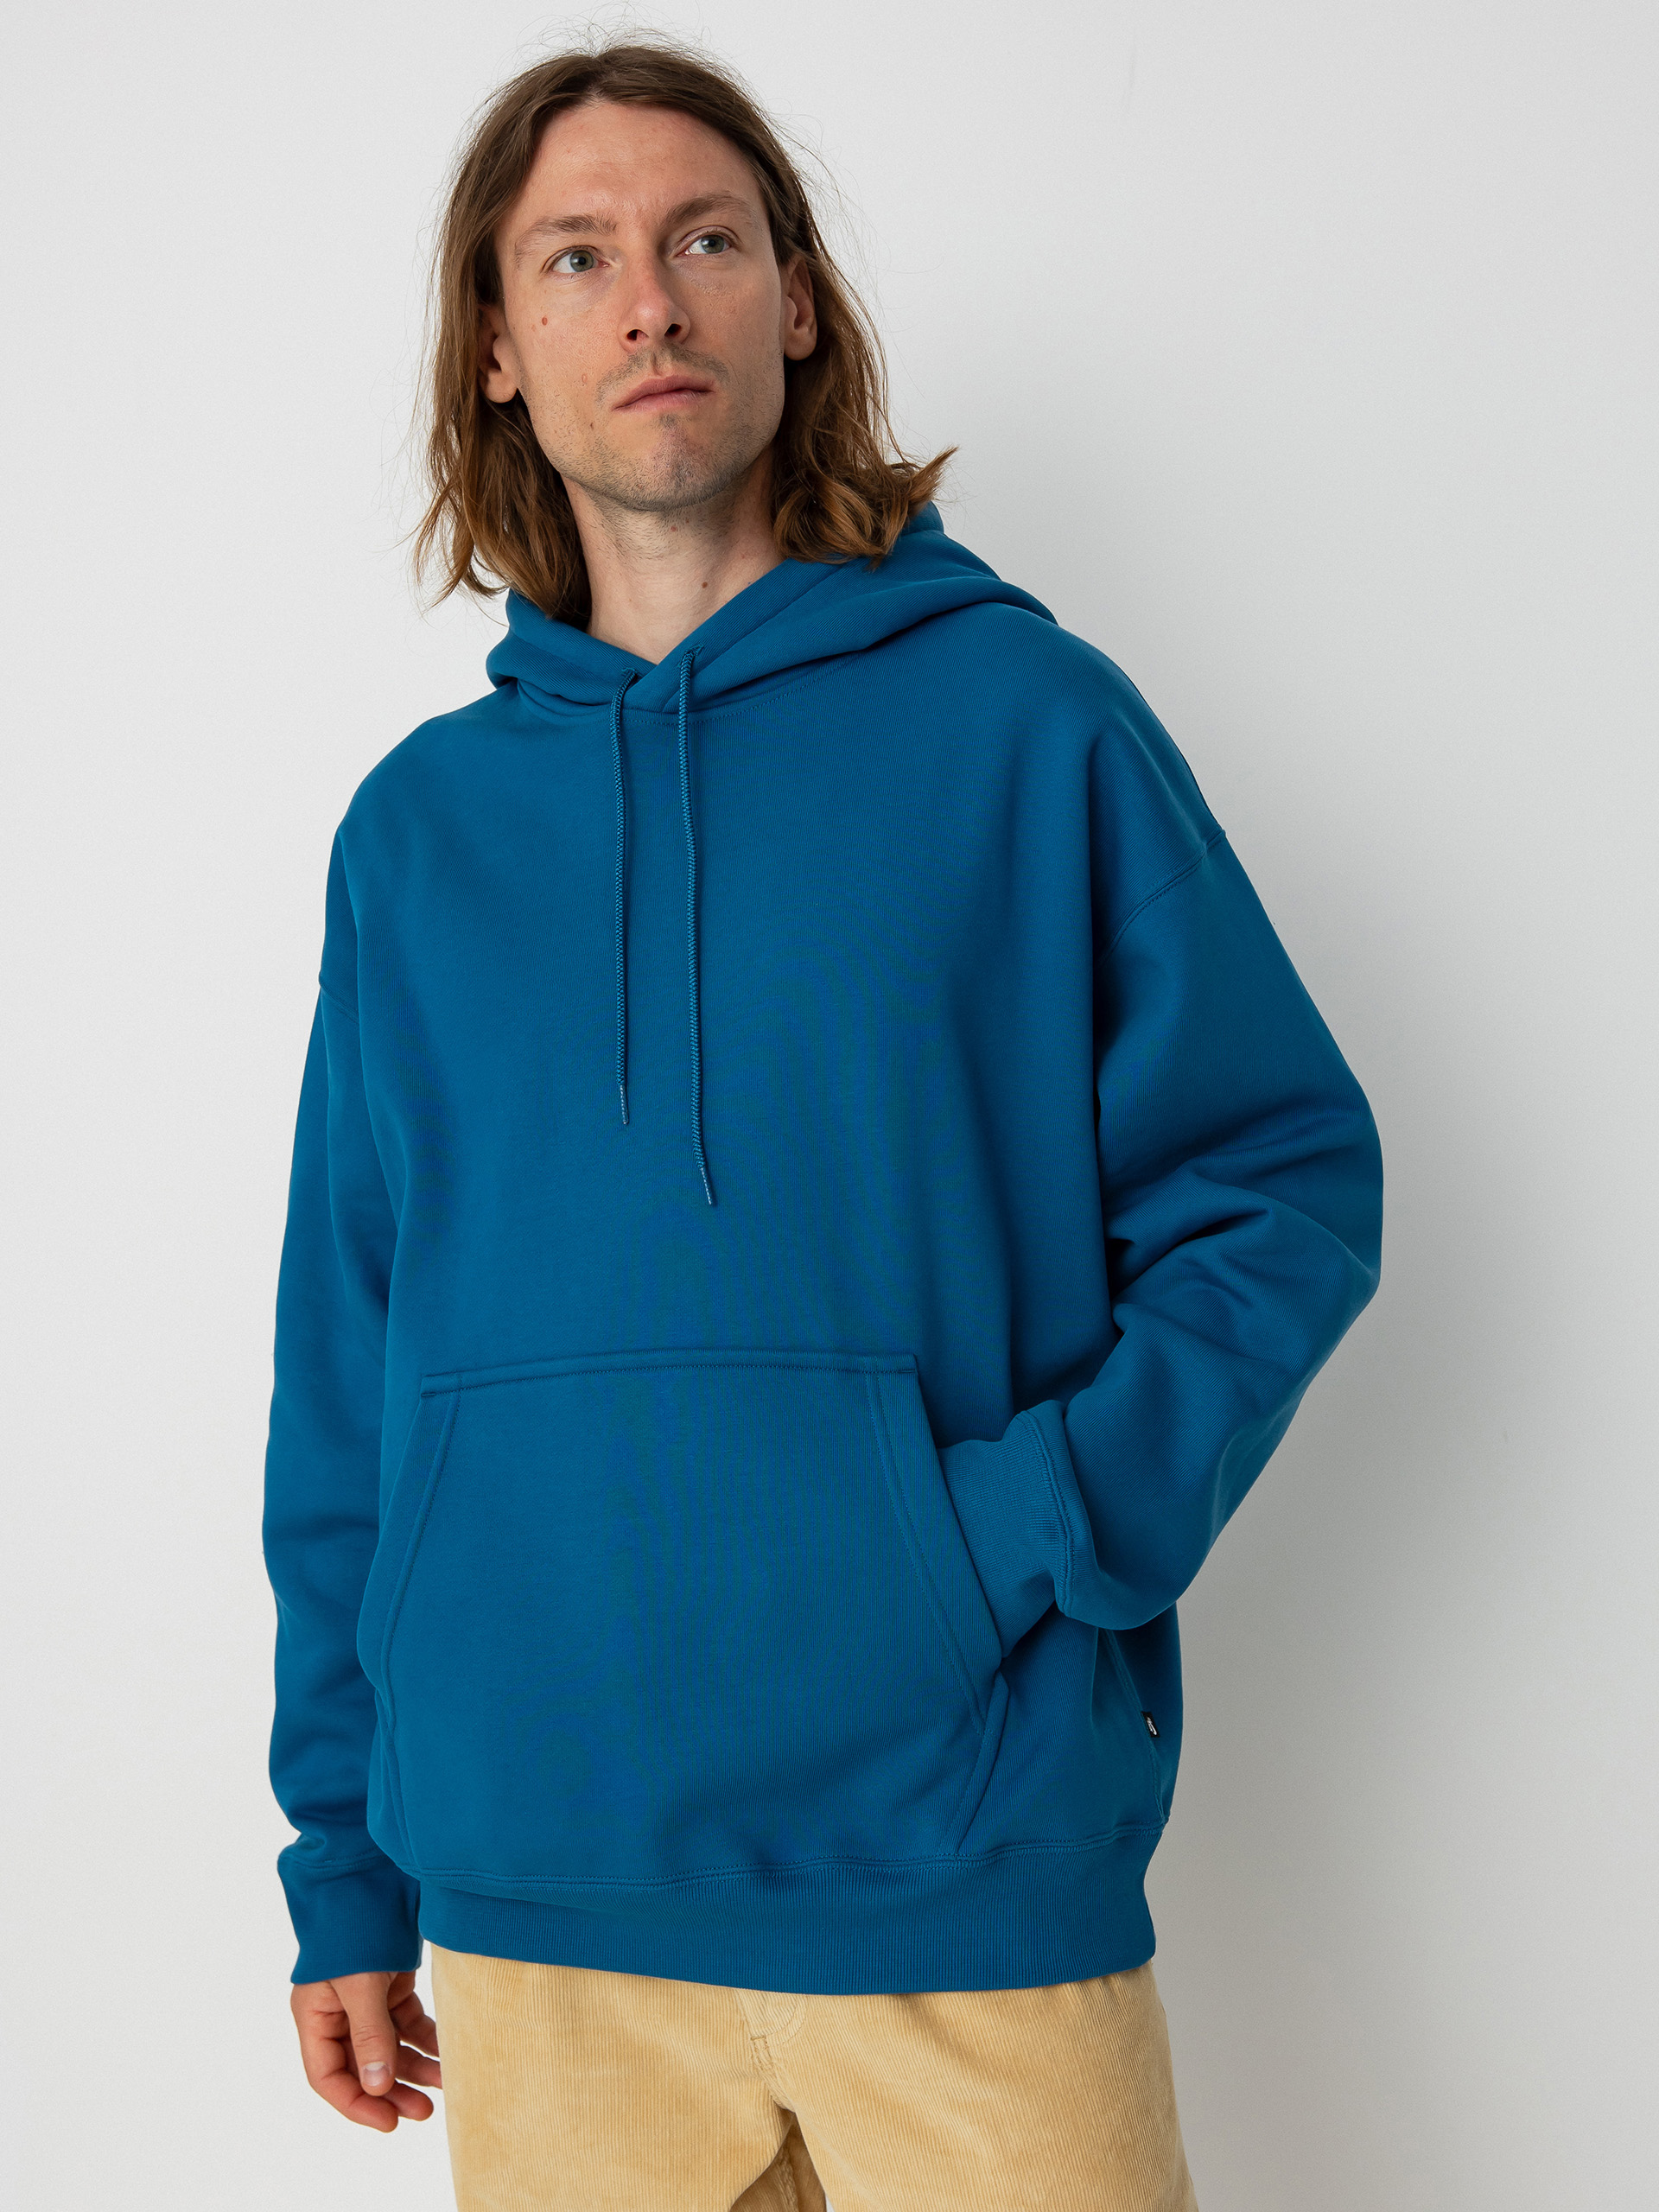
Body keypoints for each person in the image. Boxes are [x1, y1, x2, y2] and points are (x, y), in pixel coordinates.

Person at [261, 35, 1383, 2212]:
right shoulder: (417, 839)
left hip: (965, 1872)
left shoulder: (1028, 726)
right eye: (575, 257)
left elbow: (1281, 1182)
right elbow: (349, 1376)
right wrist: (343, 1854)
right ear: (496, 349)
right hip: (544, 1918)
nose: (648, 302)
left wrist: (1015, 1525)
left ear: (795, 302)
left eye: (704, 239)